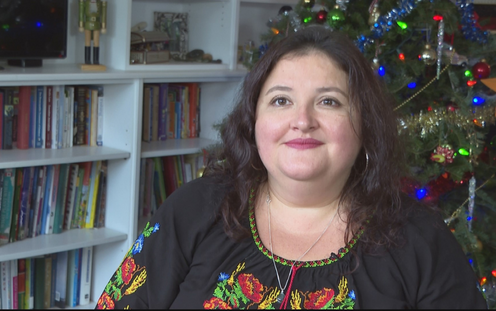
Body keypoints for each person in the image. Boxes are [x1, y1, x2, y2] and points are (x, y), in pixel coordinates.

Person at [95, 27, 487, 309]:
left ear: (364, 125)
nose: (302, 120)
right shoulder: (196, 209)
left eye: (329, 102)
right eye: (281, 101)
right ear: (254, 123)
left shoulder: (421, 241)